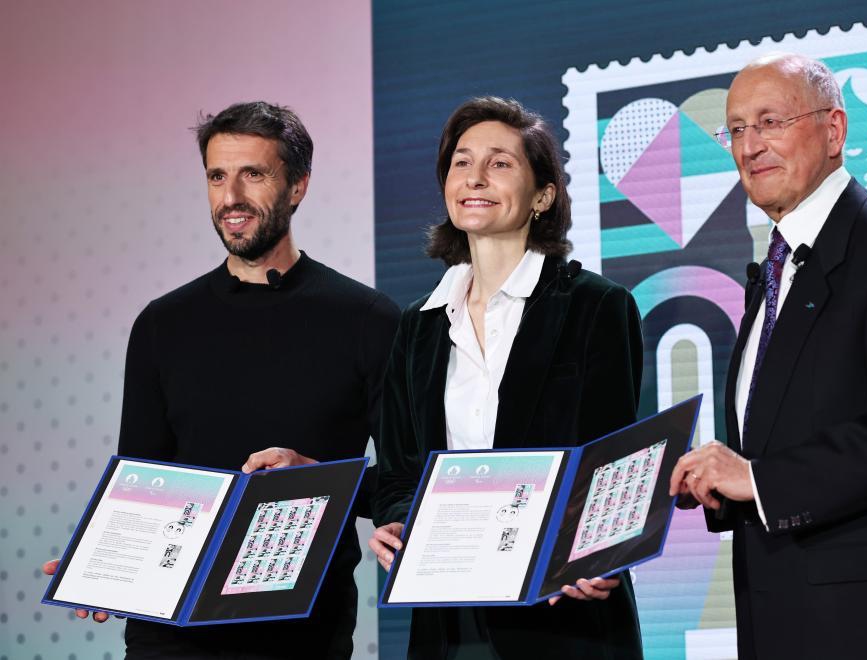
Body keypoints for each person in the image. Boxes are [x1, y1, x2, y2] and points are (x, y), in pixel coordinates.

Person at [42, 101, 400, 659]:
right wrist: (104, 563)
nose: (230, 197)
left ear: (298, 186)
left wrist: (323, 477)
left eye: (252, 175)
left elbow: (405, 480)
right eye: (216, 176)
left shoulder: (367, 319)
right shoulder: (163, 323)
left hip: (299, 632)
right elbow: (143, 481)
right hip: (170, 631)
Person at [668, 53, 867, 659]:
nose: (750, 145)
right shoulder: (774, 269)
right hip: (784, 621)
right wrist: (717, 482)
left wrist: (757, 478)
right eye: (736, 129)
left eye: (770, 121)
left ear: (835, 130)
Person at [368, 97, 644, 659]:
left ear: (543, 195)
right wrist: (396, 524)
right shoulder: (417, 326)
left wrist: (596, 550)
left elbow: (612, 466)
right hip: (448, 616)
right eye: (461, 162)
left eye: (500, 163)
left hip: (562, 609)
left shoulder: (597, 306)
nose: (475, 177)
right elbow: (399, 472)